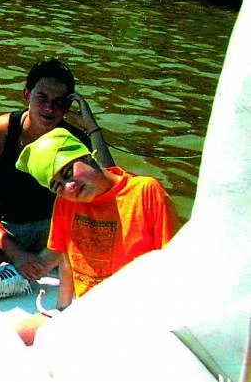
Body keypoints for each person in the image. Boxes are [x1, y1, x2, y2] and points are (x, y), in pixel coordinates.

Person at [0, 58, 115, 299]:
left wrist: (92, 128)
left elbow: (111, 182)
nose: (49, 109)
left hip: (51, 231)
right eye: (42, 98)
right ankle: (14, 272)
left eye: (59, 102)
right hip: (0, 228)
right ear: (27, 95)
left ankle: (16, 277)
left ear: (68, 106)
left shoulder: (73, 140)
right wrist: (17, 254)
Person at [13, 127, 181, 343]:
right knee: (8, 339)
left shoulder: (146, 192)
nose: (69, 187)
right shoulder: (65, 204)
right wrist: (62, 308)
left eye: (67, 172)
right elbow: (66, 257)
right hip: (85, 314)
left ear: (87, 156)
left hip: (136, 318)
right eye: (57, 186)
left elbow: (172, 266)